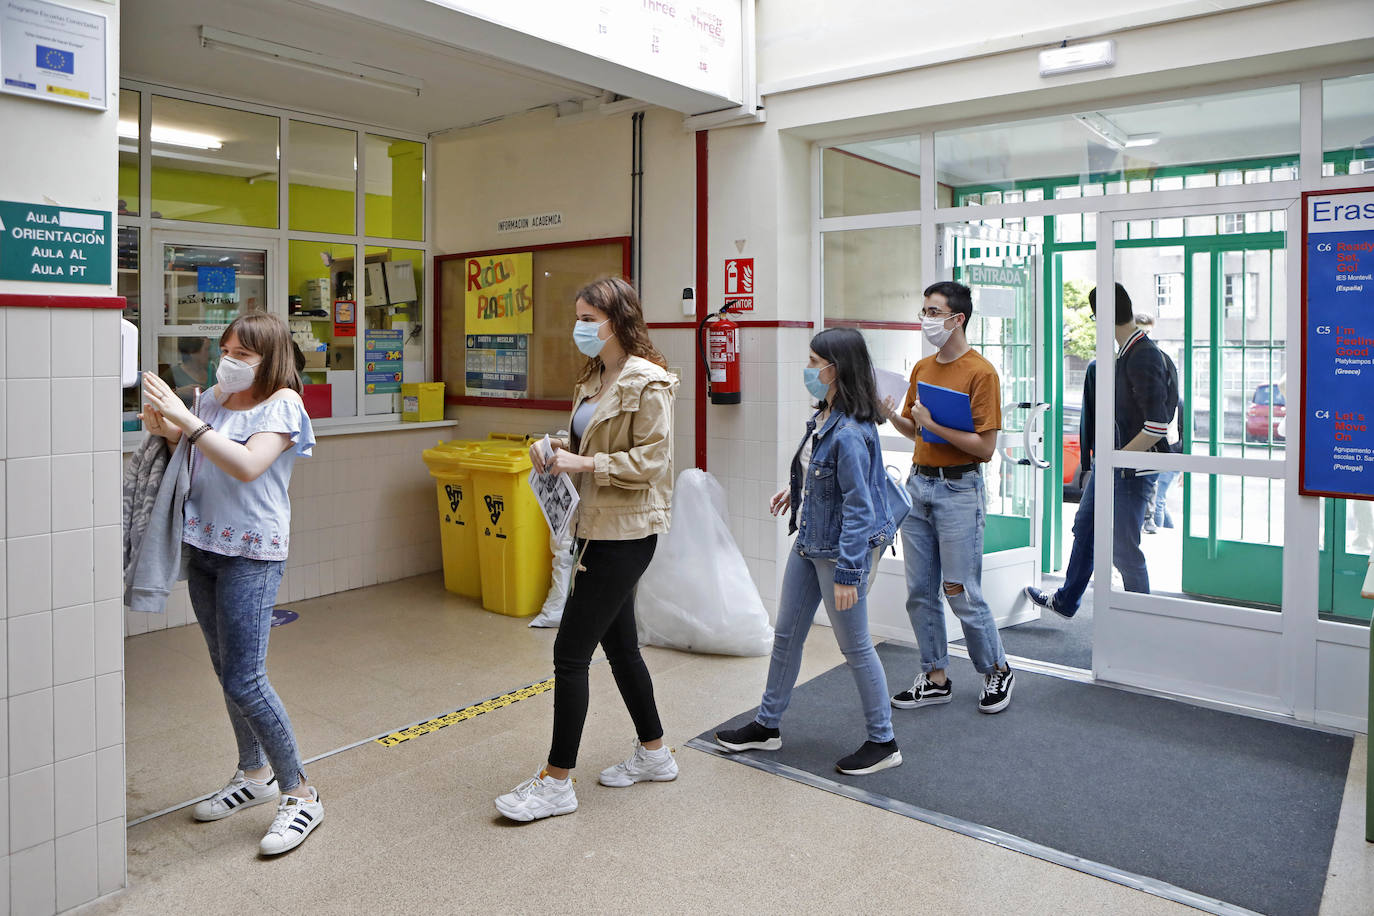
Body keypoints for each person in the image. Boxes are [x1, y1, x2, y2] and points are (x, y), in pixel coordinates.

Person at [495, 276, 680, 822]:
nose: (578, 327)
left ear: (617, 320)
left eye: (587, 318)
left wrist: (584, 464)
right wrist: (554, 449)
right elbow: (585, 442)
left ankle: (557, 782)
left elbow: (652, 462)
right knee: (621, 648)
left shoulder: (648, 383)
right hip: (590, 525)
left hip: (624, 534)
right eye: (576, 317)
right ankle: (655, 754)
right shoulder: (594, 376)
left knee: (570, 653)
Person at [139, 312, 323, 856]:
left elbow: (247, 465)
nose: (230, 362)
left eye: (243, 354)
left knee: (247, 678)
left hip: (252, 554)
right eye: (226, 350)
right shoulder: (211, 399)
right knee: (226, 673)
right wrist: (169, 431)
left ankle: (302, 793)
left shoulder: (283, 404)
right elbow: (196, 460)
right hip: (204, 546)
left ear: (270, 359)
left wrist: (189, 424)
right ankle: (253, 773)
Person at [714, 328, 903, 775]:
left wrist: (848, 574)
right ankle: (767, 725)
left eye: (814, 362)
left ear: (836, 370)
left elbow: (859, 507)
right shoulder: (825, 415)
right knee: (787, 635)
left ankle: (884, 741)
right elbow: (825, 477)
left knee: (855, 647)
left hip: (838, 552)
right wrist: (796, 492)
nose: (809, 370)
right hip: (809, 541)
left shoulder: (853, 432)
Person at [881, 281, 1015, 714]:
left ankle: (996, 668)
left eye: (934, 312)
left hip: (960, 489)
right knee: (919, 590)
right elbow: (914, 428)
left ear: (957, 319)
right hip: (919, 487)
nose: (926, 319)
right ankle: (935, 675)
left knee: (959, 590)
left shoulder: (981, 372)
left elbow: (986, 448)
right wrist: (889, 414)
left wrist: (933, 424)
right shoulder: (922, 369)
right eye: (923, 310)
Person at [1026, 283, 1177, 618]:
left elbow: (1156, 426)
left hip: (1130, 468)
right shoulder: (1122, 355)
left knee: (1124, 550)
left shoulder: (1144, 356)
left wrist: (1112, 461)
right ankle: (1067, 599)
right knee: (1085, 528)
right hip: (1114, 465)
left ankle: (1143, 619)